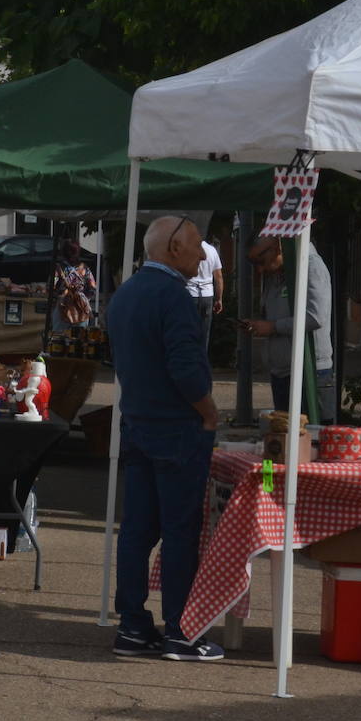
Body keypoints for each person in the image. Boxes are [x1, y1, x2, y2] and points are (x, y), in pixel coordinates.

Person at [106, 214, 223, 661]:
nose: (202, 253)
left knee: (137, 531)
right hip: (175, 429)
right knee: (179, 532)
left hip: (137, 422)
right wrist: (209, 413)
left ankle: (133, 626)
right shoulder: (174, 296)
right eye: (196, 244)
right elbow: (186, 368)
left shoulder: (127, 293)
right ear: (174, 248)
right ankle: (181, 631)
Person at [243, 236, 335, 424]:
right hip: (282, 372)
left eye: (260, 261)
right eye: (253, 264)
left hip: (309, 373)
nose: (260, 269)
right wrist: (260, 325)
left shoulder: (311, 266)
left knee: (311, 436)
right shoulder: (278, 271)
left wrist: (272, 327)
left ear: (277, 246)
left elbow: (316, 316)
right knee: (283, 434)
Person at [186, 236, 224, 348]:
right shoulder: (212, 250)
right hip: (207, 296)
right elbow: (218, 277)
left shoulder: (186, 248)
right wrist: (219, 299)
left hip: (189, 294)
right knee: (204, 335)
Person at [52, 239, 97, 331]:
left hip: (63, 307)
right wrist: (83, 298)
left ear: (64, 253)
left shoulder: (59, 268)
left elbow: (51, 287)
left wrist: (59, 295)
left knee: (59, 336)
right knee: (80, 337)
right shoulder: (84, 268)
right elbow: (92, 289)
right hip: (81, 309)